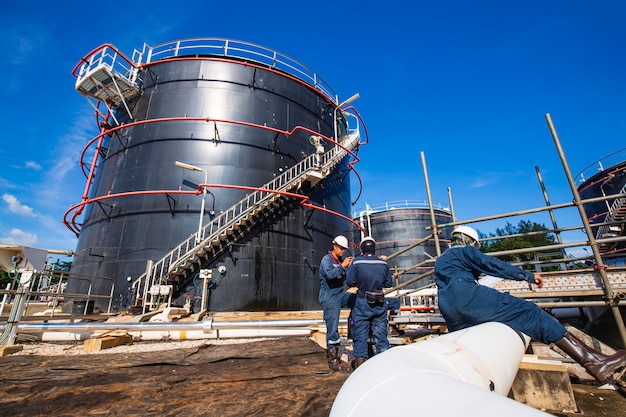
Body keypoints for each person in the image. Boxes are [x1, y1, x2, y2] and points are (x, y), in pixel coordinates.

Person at [434, 225, 626, 384]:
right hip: (468, 295)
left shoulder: (441, 260)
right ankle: (592, 361)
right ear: (470, 241)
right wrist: (528, 276)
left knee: (466, 342)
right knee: (531, 314)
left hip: (447, 306)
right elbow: (492, 265)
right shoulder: (465, 251)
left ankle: (469, 382)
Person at [346, 236, 393, 369]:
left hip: (362, 301)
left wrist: (361, 282)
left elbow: (350, 282)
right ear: (374, 248)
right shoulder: (383, 264)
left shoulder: (356, 262)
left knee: (360, 334)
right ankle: (385, 366)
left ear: (361, 248)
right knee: (381, 334)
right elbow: (388, 283)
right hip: (379, 301)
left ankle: (360, 366)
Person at [319, 235, 354, 371]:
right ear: (334, 246)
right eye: (341, 248)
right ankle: (333, 357)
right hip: (329, 296)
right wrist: (343, 266)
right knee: (333, 327)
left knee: (357, 301)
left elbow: (345, 279)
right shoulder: (327, 260)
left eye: (344, 249)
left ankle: (356, 331)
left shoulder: (339, 260)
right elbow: (330, 275)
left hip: (340, 293)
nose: (343, 251)